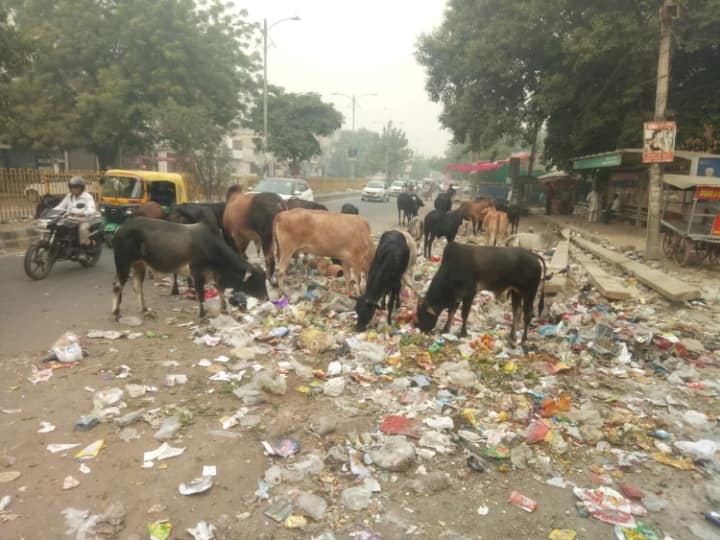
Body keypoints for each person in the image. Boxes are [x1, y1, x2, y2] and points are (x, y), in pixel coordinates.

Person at [54, 176, 97, 246]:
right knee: (58, 227)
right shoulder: (69, 196)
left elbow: (92, 209)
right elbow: (60, 207)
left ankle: (87, 245)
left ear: (81, 188)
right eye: (72, 187)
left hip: (83, 220)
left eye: (76, 187)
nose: (73, 189)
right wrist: (52, 212)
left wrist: (83, 213)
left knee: (82, 229)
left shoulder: (87, 197)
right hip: (70, 219)